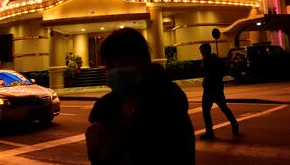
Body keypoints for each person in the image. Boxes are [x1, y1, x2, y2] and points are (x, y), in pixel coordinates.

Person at [86, 28, 195, 165]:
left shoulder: (168, 105)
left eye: (126, 63)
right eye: (110, 65)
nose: (117, 70)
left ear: (144, 64)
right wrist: (98, 152)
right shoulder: (103, 109)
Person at [199, 43, 239, 140]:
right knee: (221, 108)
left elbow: (217, 72)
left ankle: (210, 132)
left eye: (202, 51)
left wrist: (210, 78)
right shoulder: (212, 59)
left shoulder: (211, 60)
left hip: (212, 88)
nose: (201, 53)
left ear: (207, 50)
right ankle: (234, 124)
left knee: (209, 110)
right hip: (214, 88)